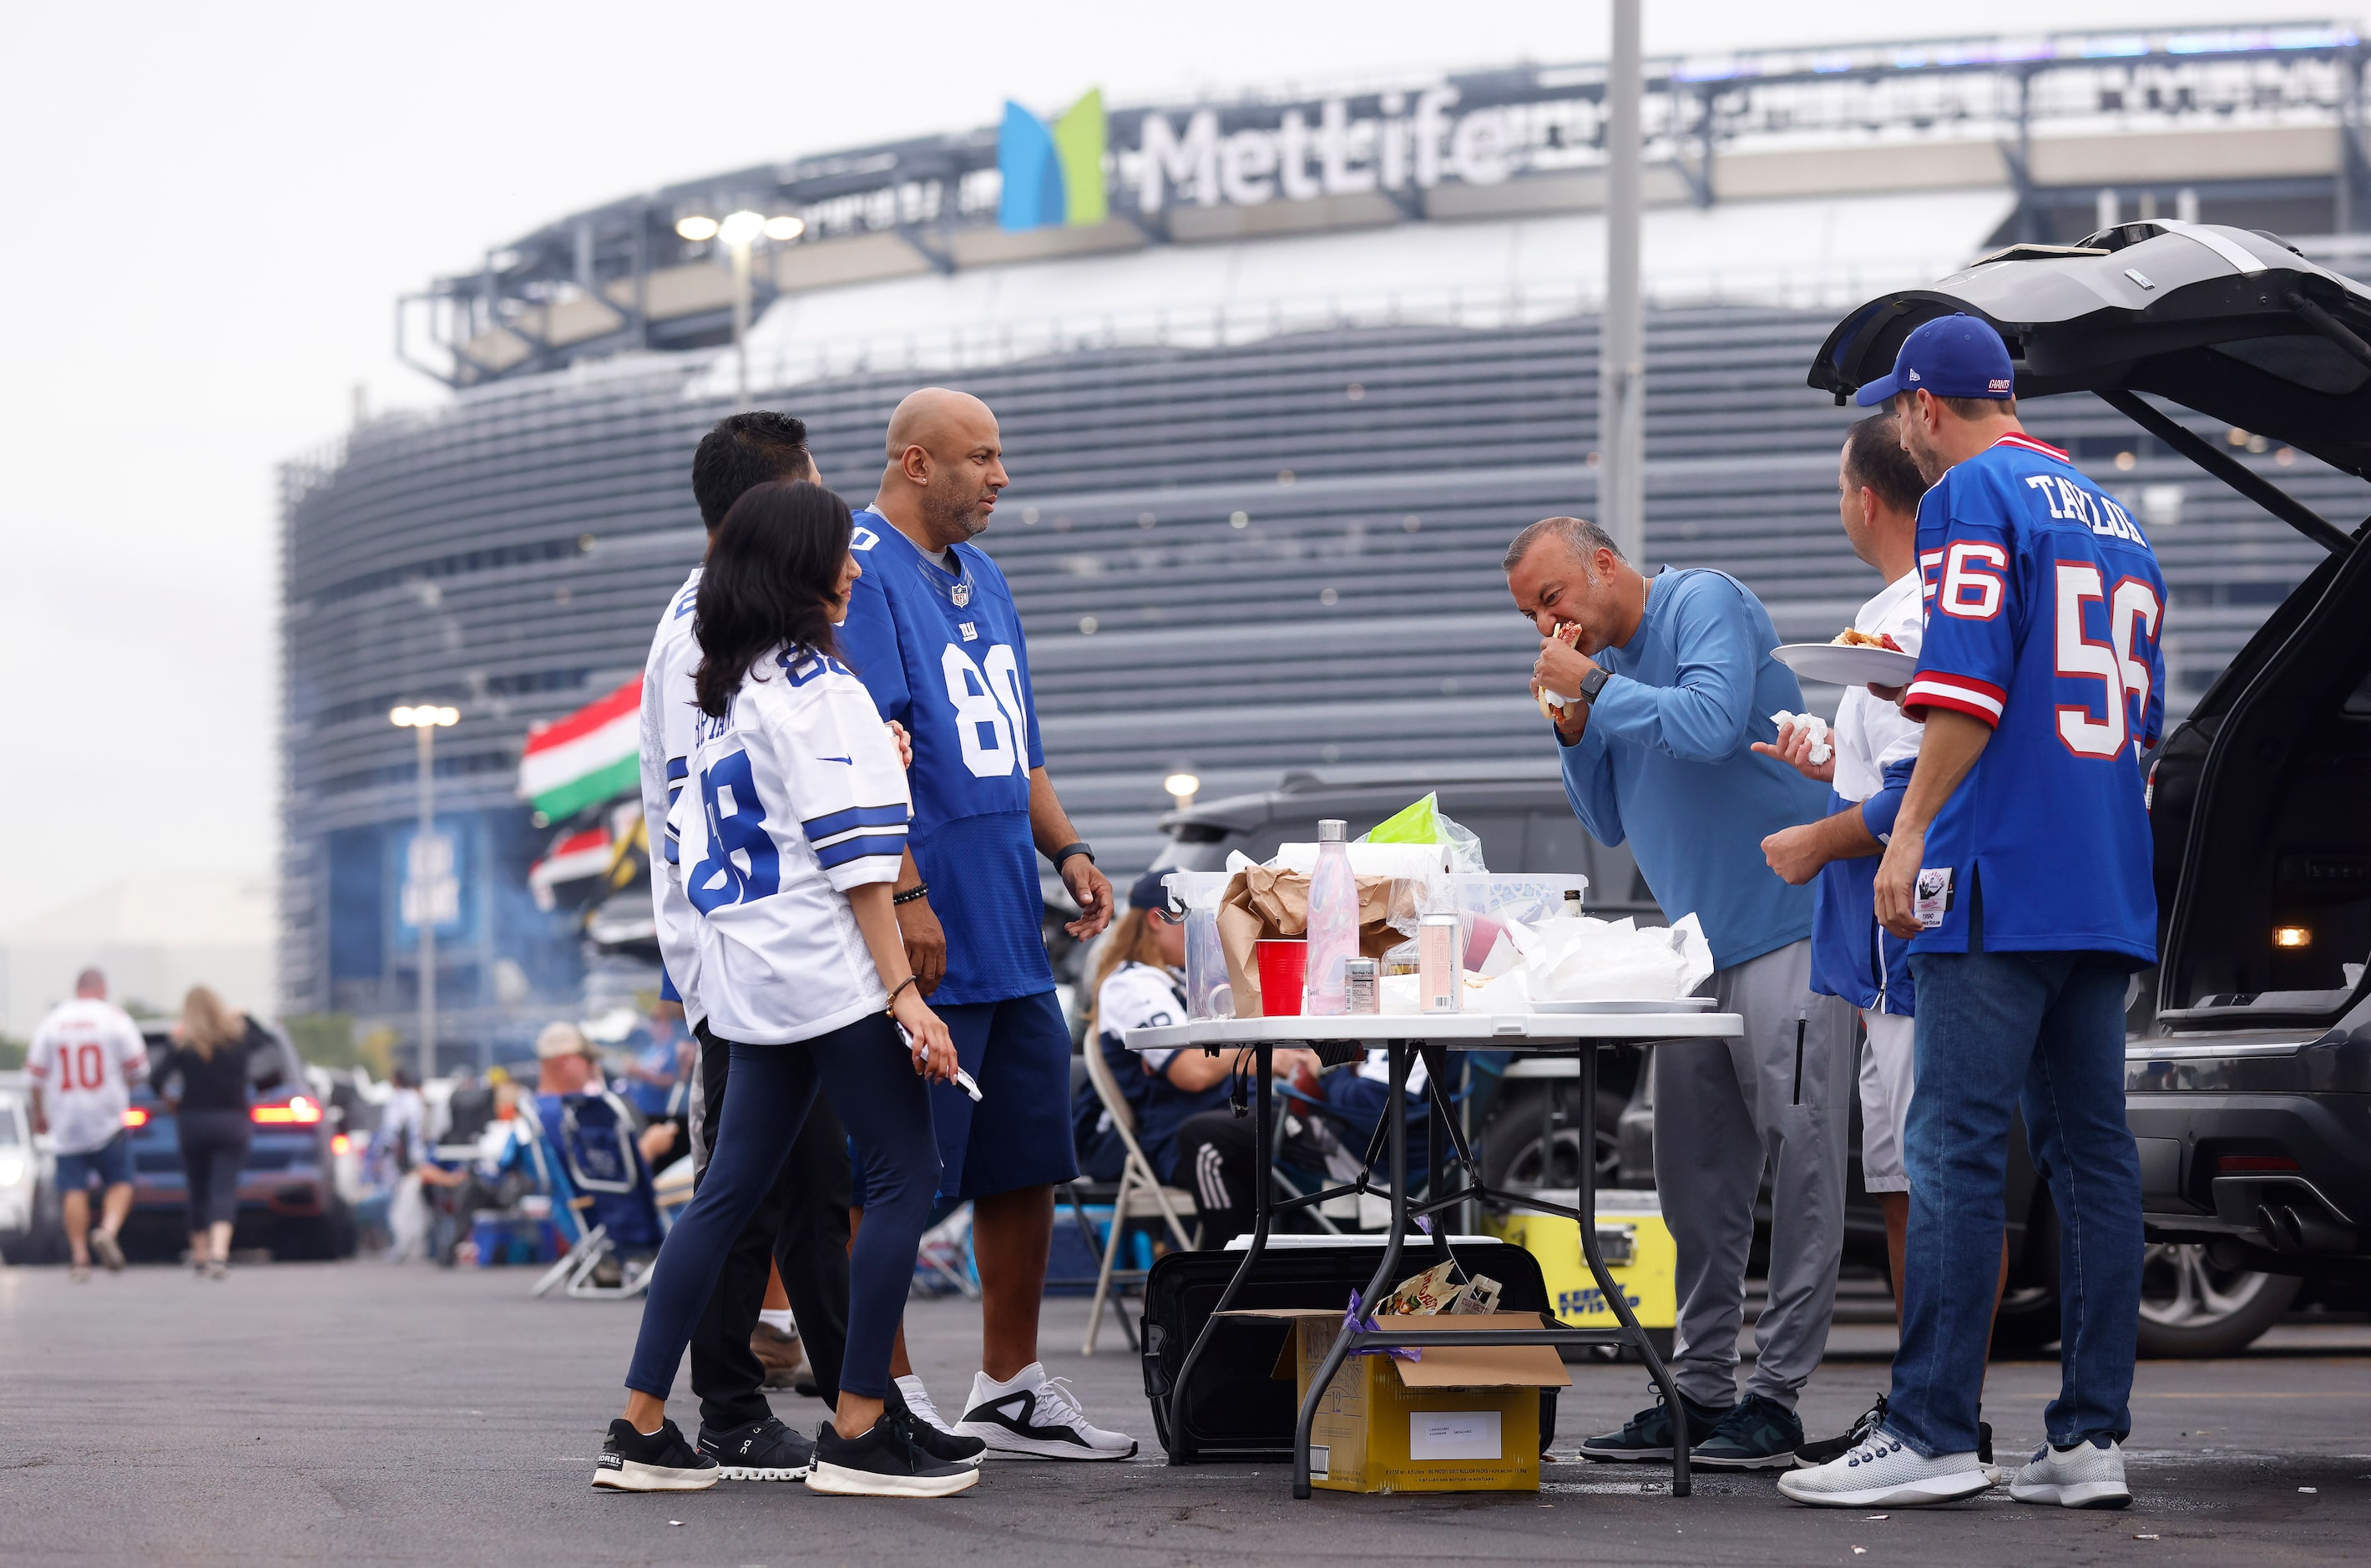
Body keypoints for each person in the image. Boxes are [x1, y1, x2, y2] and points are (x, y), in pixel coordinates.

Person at [1782, 316, 2165, 1511]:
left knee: (1951, 1145)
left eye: (1904, 411)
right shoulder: (2114, 512)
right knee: (2091, 1157)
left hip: (1998, 867)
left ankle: (1935, 1425)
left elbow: (1965, 689)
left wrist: (1904, 837)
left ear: (1925, 409)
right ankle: (2089, 1435)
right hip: (2101, 868)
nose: (1903, 430)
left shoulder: (1967, 495)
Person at [596, 478, 975, 1499]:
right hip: (830, 973)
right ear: (797, 571)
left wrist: (875, 766)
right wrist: (905, 996)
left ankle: (639, 1423)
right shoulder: (820, 686)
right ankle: (858, 1425)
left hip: (749, 981)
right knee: (904, 1176)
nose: (854, 566)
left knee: (722, 1196)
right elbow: (859, 868)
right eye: (837, 553)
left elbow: (716, 833)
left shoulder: (727, 693)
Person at [1506, 515, 1856, 1470]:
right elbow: (1605, 819)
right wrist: (1574, 727)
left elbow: (1705, 725)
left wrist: (1594, 688)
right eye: (1530, 614)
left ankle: (1775, 1399)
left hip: (1787, 926)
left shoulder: (1702, 600)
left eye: (1552, 599)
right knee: (1693, 1180)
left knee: (1804, 1163)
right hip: (1694, 955)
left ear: (1605, 566)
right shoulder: (1603, 671)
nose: (1546, 624)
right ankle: (1699, 1391)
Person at [837, 387, 1131, 1459]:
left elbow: (1021, 747)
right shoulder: (860, 569)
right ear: (916, 463)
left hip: (1008, 914)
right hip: (927, 923)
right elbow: (867, 753)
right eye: (982, 458)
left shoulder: (988, 576)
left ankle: (1009, 1387)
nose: (1001, 477)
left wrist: (1070, 849)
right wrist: (904, 897)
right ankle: (887, 1389)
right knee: (903, 1172)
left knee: (1024, 1161)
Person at [1756, 412, 2012, 1473]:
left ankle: (1938, 1415)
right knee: (1907, 1183)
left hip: (1913, 935)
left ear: (1865, 495)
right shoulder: (1889, 616)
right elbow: (1889, 773)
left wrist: (1820, 836)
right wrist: (1831, 770)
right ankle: (1923, 1405)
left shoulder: (1924, 610)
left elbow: (1930, 787)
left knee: (1934, 1179)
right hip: (1877, 951)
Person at [640, 410, 869, 1482]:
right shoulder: (712, 632)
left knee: (803, 1188)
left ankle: (860, 1406)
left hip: (760, 958)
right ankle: (724, 1410)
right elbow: (725, 813)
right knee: (754, 1193)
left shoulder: (713, 618)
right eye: (811, 494)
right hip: (751, 960)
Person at [1078, 870, 1322, 1242]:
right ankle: (1239, 1269)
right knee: (1278, 1133)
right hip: (1180, 1130)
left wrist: (1262, 1057)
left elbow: (1220, 1062)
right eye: (1194, 923)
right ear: (1157, 921)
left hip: (1227, 1112)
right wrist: (1251, 1055)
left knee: (1302, 1120)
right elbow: (1192, 1072)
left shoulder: (1181, 979)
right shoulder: (1132, 985)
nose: (1206, 936)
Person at [26, 968, 146, 1281]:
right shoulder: (115, 1018)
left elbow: (35, 1077)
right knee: (120, 1181)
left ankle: (79, 1256)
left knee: (73, 1188)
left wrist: (40, 1113)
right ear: (102, 988)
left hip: (66, 1118)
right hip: (106, 1117)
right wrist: (122, 1090)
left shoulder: (53, 1022)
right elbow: (138, 1068)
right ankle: (107, 1229)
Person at [149, 986, 257, 1280]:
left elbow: (155, 1078)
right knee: (223, 1188)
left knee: (197, 1188)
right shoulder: (237, 1039)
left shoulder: (182, 1044)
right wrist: (242, 1014)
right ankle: (219, 1254)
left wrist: (171, 1100)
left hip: (193, 1122)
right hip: (231, 1122)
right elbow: (263, 1039)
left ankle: (199, 1254)